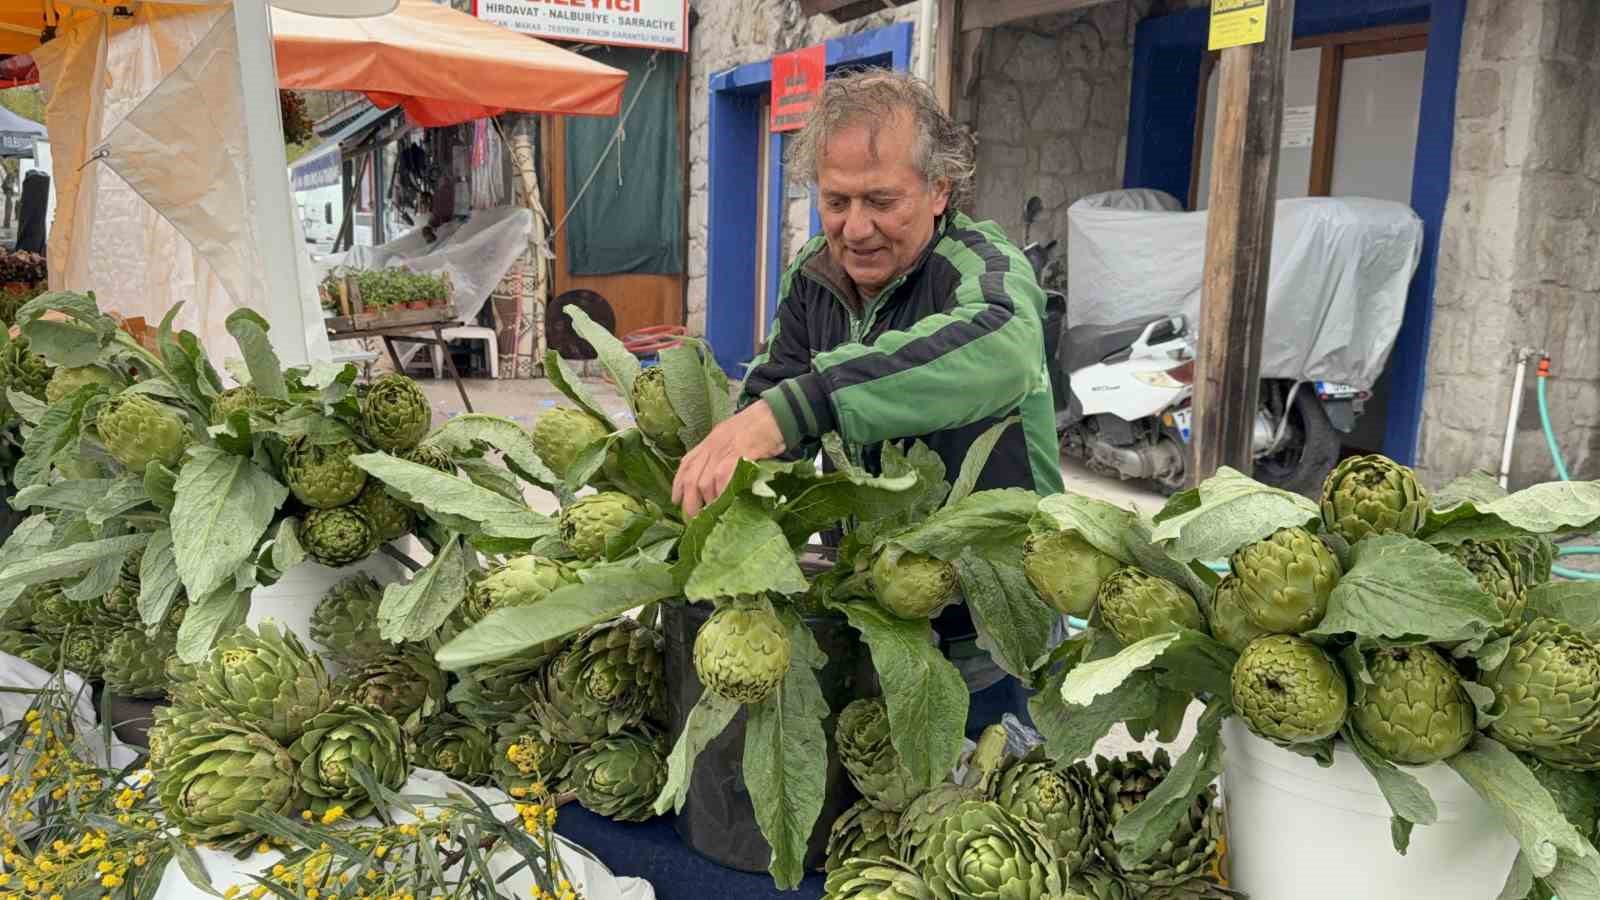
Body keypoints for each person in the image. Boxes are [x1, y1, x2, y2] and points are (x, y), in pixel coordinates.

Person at [670, 70, 1063, 733]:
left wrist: (801, 406)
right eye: (836, 201)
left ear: (940, 189)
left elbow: (1005, 348)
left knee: (992, 802)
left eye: (882, 200)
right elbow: (772, 392)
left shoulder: (982, 271)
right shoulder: (815, 279)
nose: (855, 229)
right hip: (880, 612)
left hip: (998, 619)